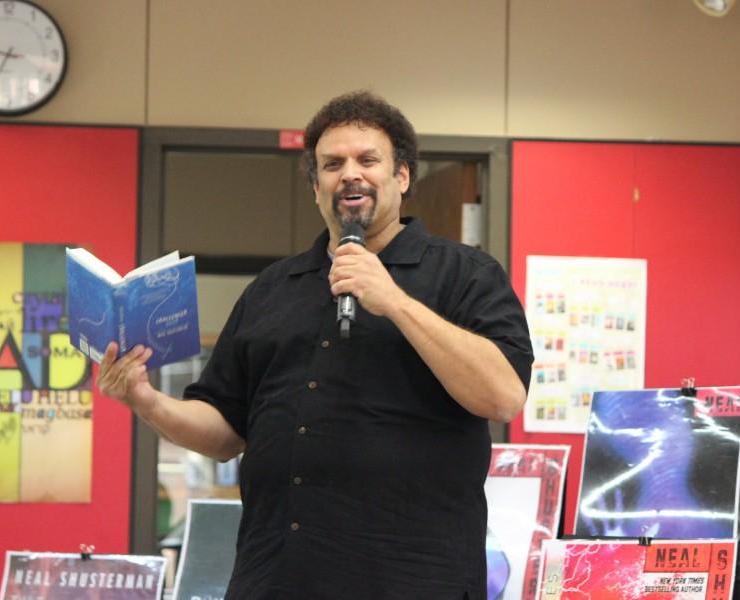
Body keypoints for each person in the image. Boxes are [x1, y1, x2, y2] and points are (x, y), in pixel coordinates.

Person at [98, 90, 534, 599]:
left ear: (403, 177)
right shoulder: (271, 289)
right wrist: (145, 400)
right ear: (316, 187)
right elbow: (224, 432)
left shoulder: (466, 274)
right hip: (275, 578)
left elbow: (503, 395)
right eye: (332, 164)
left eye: (368, 159)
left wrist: (393, 300)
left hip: (412, 580)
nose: (350, 173)